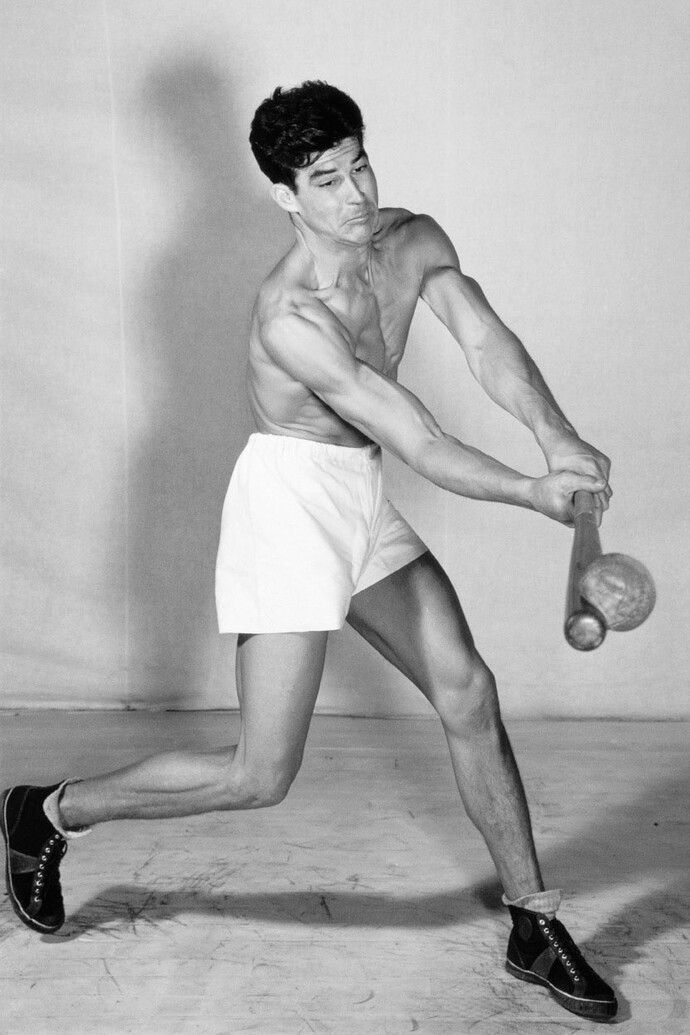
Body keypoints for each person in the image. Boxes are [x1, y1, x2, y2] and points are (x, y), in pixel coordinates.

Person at [2, 81, 617, 1022]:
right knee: (260, 775)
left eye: (360, 162)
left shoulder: (412, 239)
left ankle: (532, 922)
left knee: (469, 689)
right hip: (290, 503)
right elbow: (420, 439)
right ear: (287, 195)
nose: (357, 192)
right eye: (326, 179)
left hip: (359, 491)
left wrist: (559, 438)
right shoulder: (290, 313)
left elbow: (486, 341)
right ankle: (43, 813)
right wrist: (532, 492)